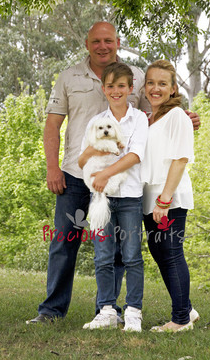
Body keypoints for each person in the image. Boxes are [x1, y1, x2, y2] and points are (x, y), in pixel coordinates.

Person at [26, 21, 200, 324]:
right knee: (64, 242)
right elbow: (52, 124)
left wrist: (184, 117)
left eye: (108, 40)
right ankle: (51, 311)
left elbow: (158, 110)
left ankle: (109, 310)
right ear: (87, 43)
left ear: (117, 42)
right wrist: (52, 167)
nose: (102, 46)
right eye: (96, 41)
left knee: (119, 249)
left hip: (123, 181)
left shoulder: (134, 76)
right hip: (75, 174)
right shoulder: (69, 77)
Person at [78, 62, 148, 332]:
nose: (116, 91)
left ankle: (133, 312)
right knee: (103, 256)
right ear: (104, 89)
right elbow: (82, 157)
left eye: (122, 86)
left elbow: (135, 155)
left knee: (132, 256)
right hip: (100, 196)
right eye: (111, 86)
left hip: (129, 196)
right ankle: (107, 310)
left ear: (131, 88)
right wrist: (99, 160)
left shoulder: (139, 119)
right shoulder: (96, 121)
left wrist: (106, 172)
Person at [141, 59, 199, 332]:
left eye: (162, 84)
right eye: (151, 82)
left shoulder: (177, 116)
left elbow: (180, 159)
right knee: (159, 251)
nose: (155, 88)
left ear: (173, 88)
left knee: (172, 253)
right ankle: (187, 309)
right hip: (149, 196)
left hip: (168, 198)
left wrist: (164, 200)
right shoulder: (150, 119)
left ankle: (180, 320)